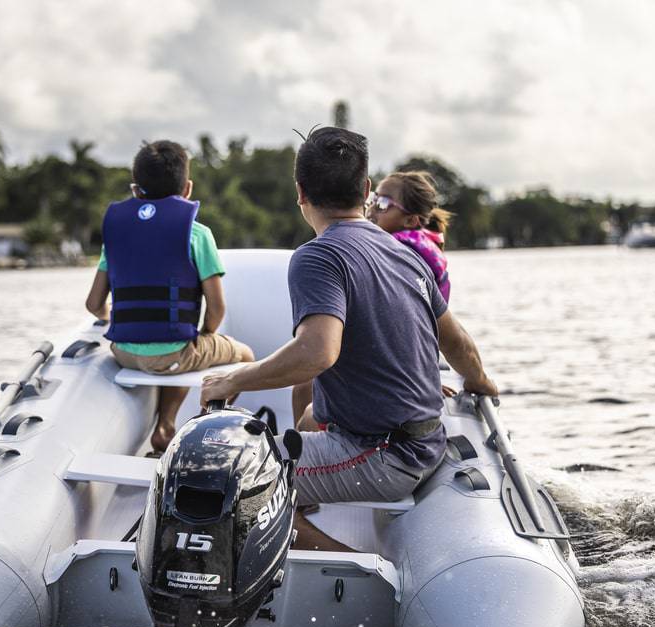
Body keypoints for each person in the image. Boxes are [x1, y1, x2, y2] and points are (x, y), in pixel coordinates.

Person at [199, 127, 497, 552]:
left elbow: (317, 353)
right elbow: (459, 343)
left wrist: (234, 380)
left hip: (382, 455)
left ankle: (359, 572)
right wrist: (480, 382)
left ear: (300, 192)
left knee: (223, 480)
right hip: (424, 439)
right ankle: (304, 505)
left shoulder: (318, 255)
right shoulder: (406, 254)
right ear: (367, 190)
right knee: (303, 423)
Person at [85, 140, 254, 452]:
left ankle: (164, 427)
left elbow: (93, 304)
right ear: (187, 188)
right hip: (174, 354)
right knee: (244, 356)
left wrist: (116, 320)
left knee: (178, 350)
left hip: (123, 352)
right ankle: (202, 433)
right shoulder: (197, 233)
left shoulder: (116, 235)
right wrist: (203, 336)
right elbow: (216, 309)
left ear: (136, 190)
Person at [367, 171, 452, 302]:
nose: (371, 208)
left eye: (382, 203)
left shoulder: (402, 256)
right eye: (373, 199)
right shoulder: (414, 246)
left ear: (410, 220)